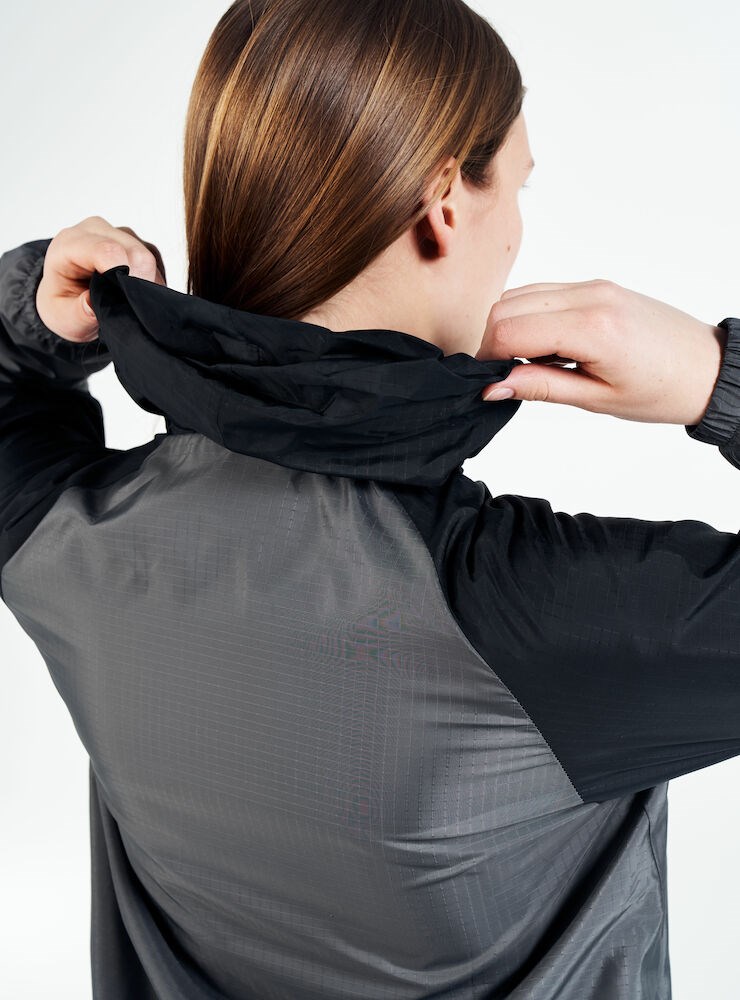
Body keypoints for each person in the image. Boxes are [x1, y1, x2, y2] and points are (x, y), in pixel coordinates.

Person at [0, 1, 738, 998]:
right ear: (444, 201)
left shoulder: (67, 542)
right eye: (515, 185)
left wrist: (41, 311)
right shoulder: (539, 617)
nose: (517, 231)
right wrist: (711, 375)